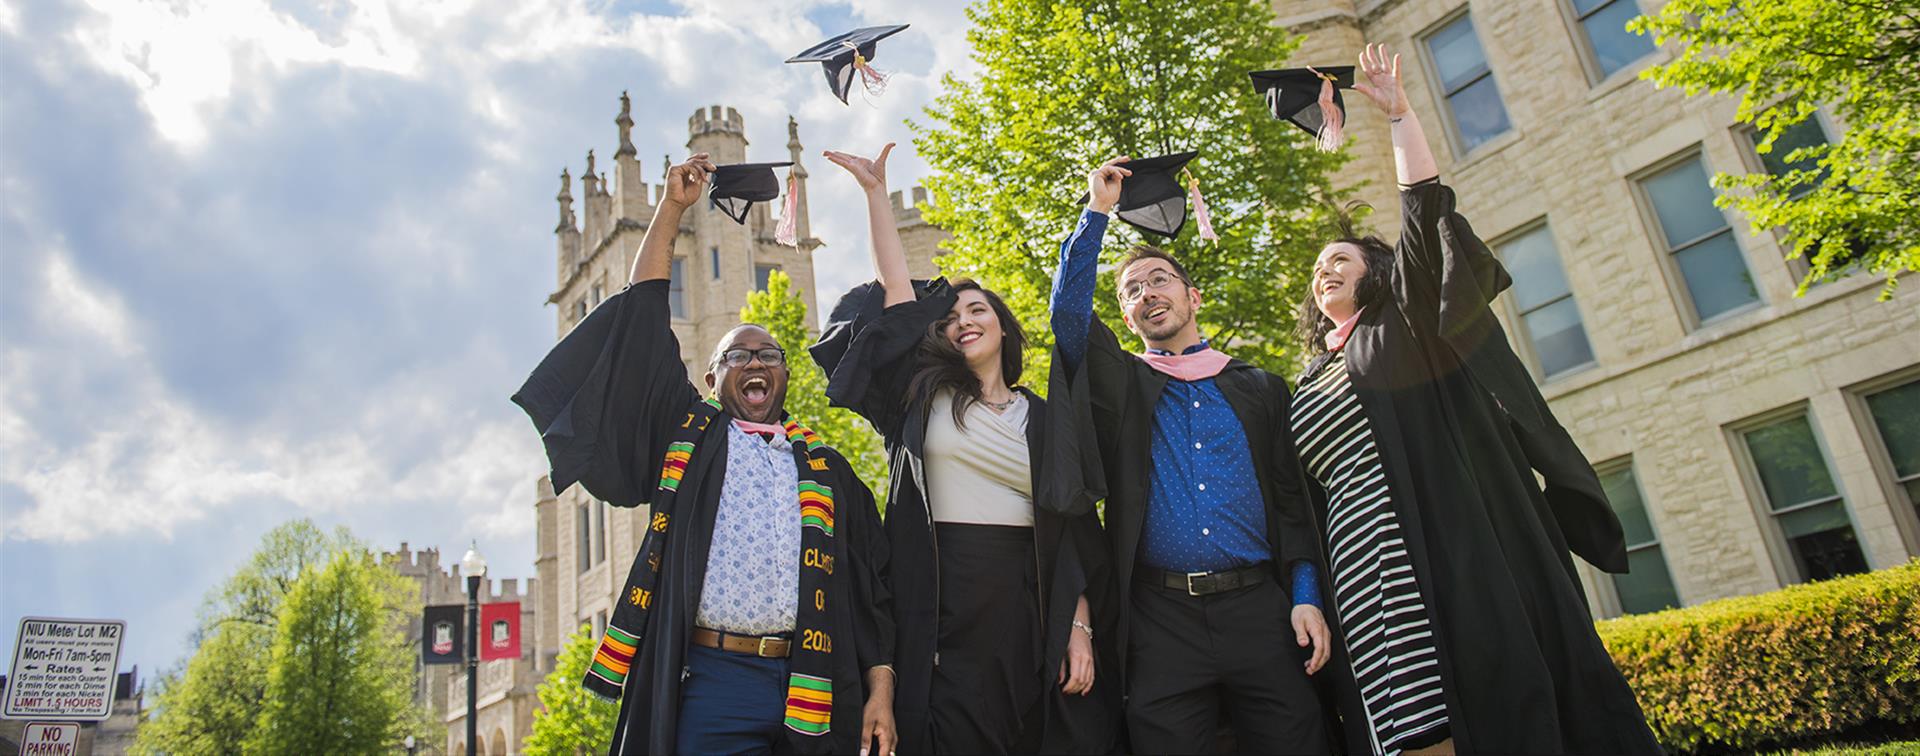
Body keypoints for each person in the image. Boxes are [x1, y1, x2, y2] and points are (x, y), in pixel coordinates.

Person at [1289, 44, 1662, 754]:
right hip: (1360, 566)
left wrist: (1401, 122)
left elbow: (1426, 222)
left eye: (1339, 259)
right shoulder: (1308, 376)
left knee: (1473, 706)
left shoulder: (1401, 327)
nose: (1323, 273)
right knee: (1402, 726)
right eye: (1315, 270)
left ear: (1378, 274)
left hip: (1438, 543)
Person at [512, 153, 899, 756]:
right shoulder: (692, 440)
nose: (754, 362)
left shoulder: (827, 471)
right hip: (716, 680)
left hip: (815, 682)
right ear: (712, 376)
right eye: (738, 355)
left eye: (768, 355)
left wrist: (880, 692)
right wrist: (671, 209)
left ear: (785, 374)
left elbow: (872, 591)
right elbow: (642, 319)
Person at [809, 143, 1120, 754]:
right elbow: (898, 298)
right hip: (938, 597)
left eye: (978, 309)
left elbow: (1073, 527)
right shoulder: (921, 398)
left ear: (1002, 325)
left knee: (1034, 732)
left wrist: (1078, 624)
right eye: (951, 317)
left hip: (1028, 597)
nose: (964, 320)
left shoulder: (1044, 416)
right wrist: (877, 197)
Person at [1044, 157, 1334, 751]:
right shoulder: (1123, 384)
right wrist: (1096, 211)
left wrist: (1305, 596)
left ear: (1191, 296)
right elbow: (1068, 317)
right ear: (1126, 317)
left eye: (1158, 280)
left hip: (1261, 610)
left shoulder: (1259, 387)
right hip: (1160, 618)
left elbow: (1291, 503)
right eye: (1132, 291)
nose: (1147, 293)